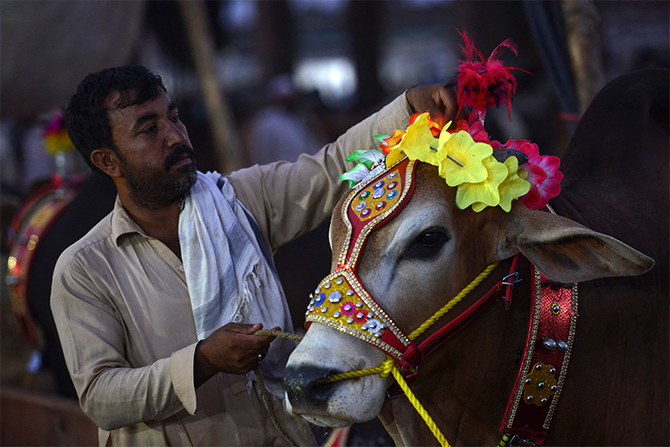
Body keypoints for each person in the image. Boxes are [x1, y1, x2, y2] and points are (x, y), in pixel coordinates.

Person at [50, 64, 457, 446]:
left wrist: (407, 109)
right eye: (148, 129)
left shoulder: (238, 200)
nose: (175, 137)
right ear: (107, 161)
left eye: (173, 117)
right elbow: (101, 397)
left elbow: (332, 167)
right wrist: (202, 362)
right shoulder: (84, 269)